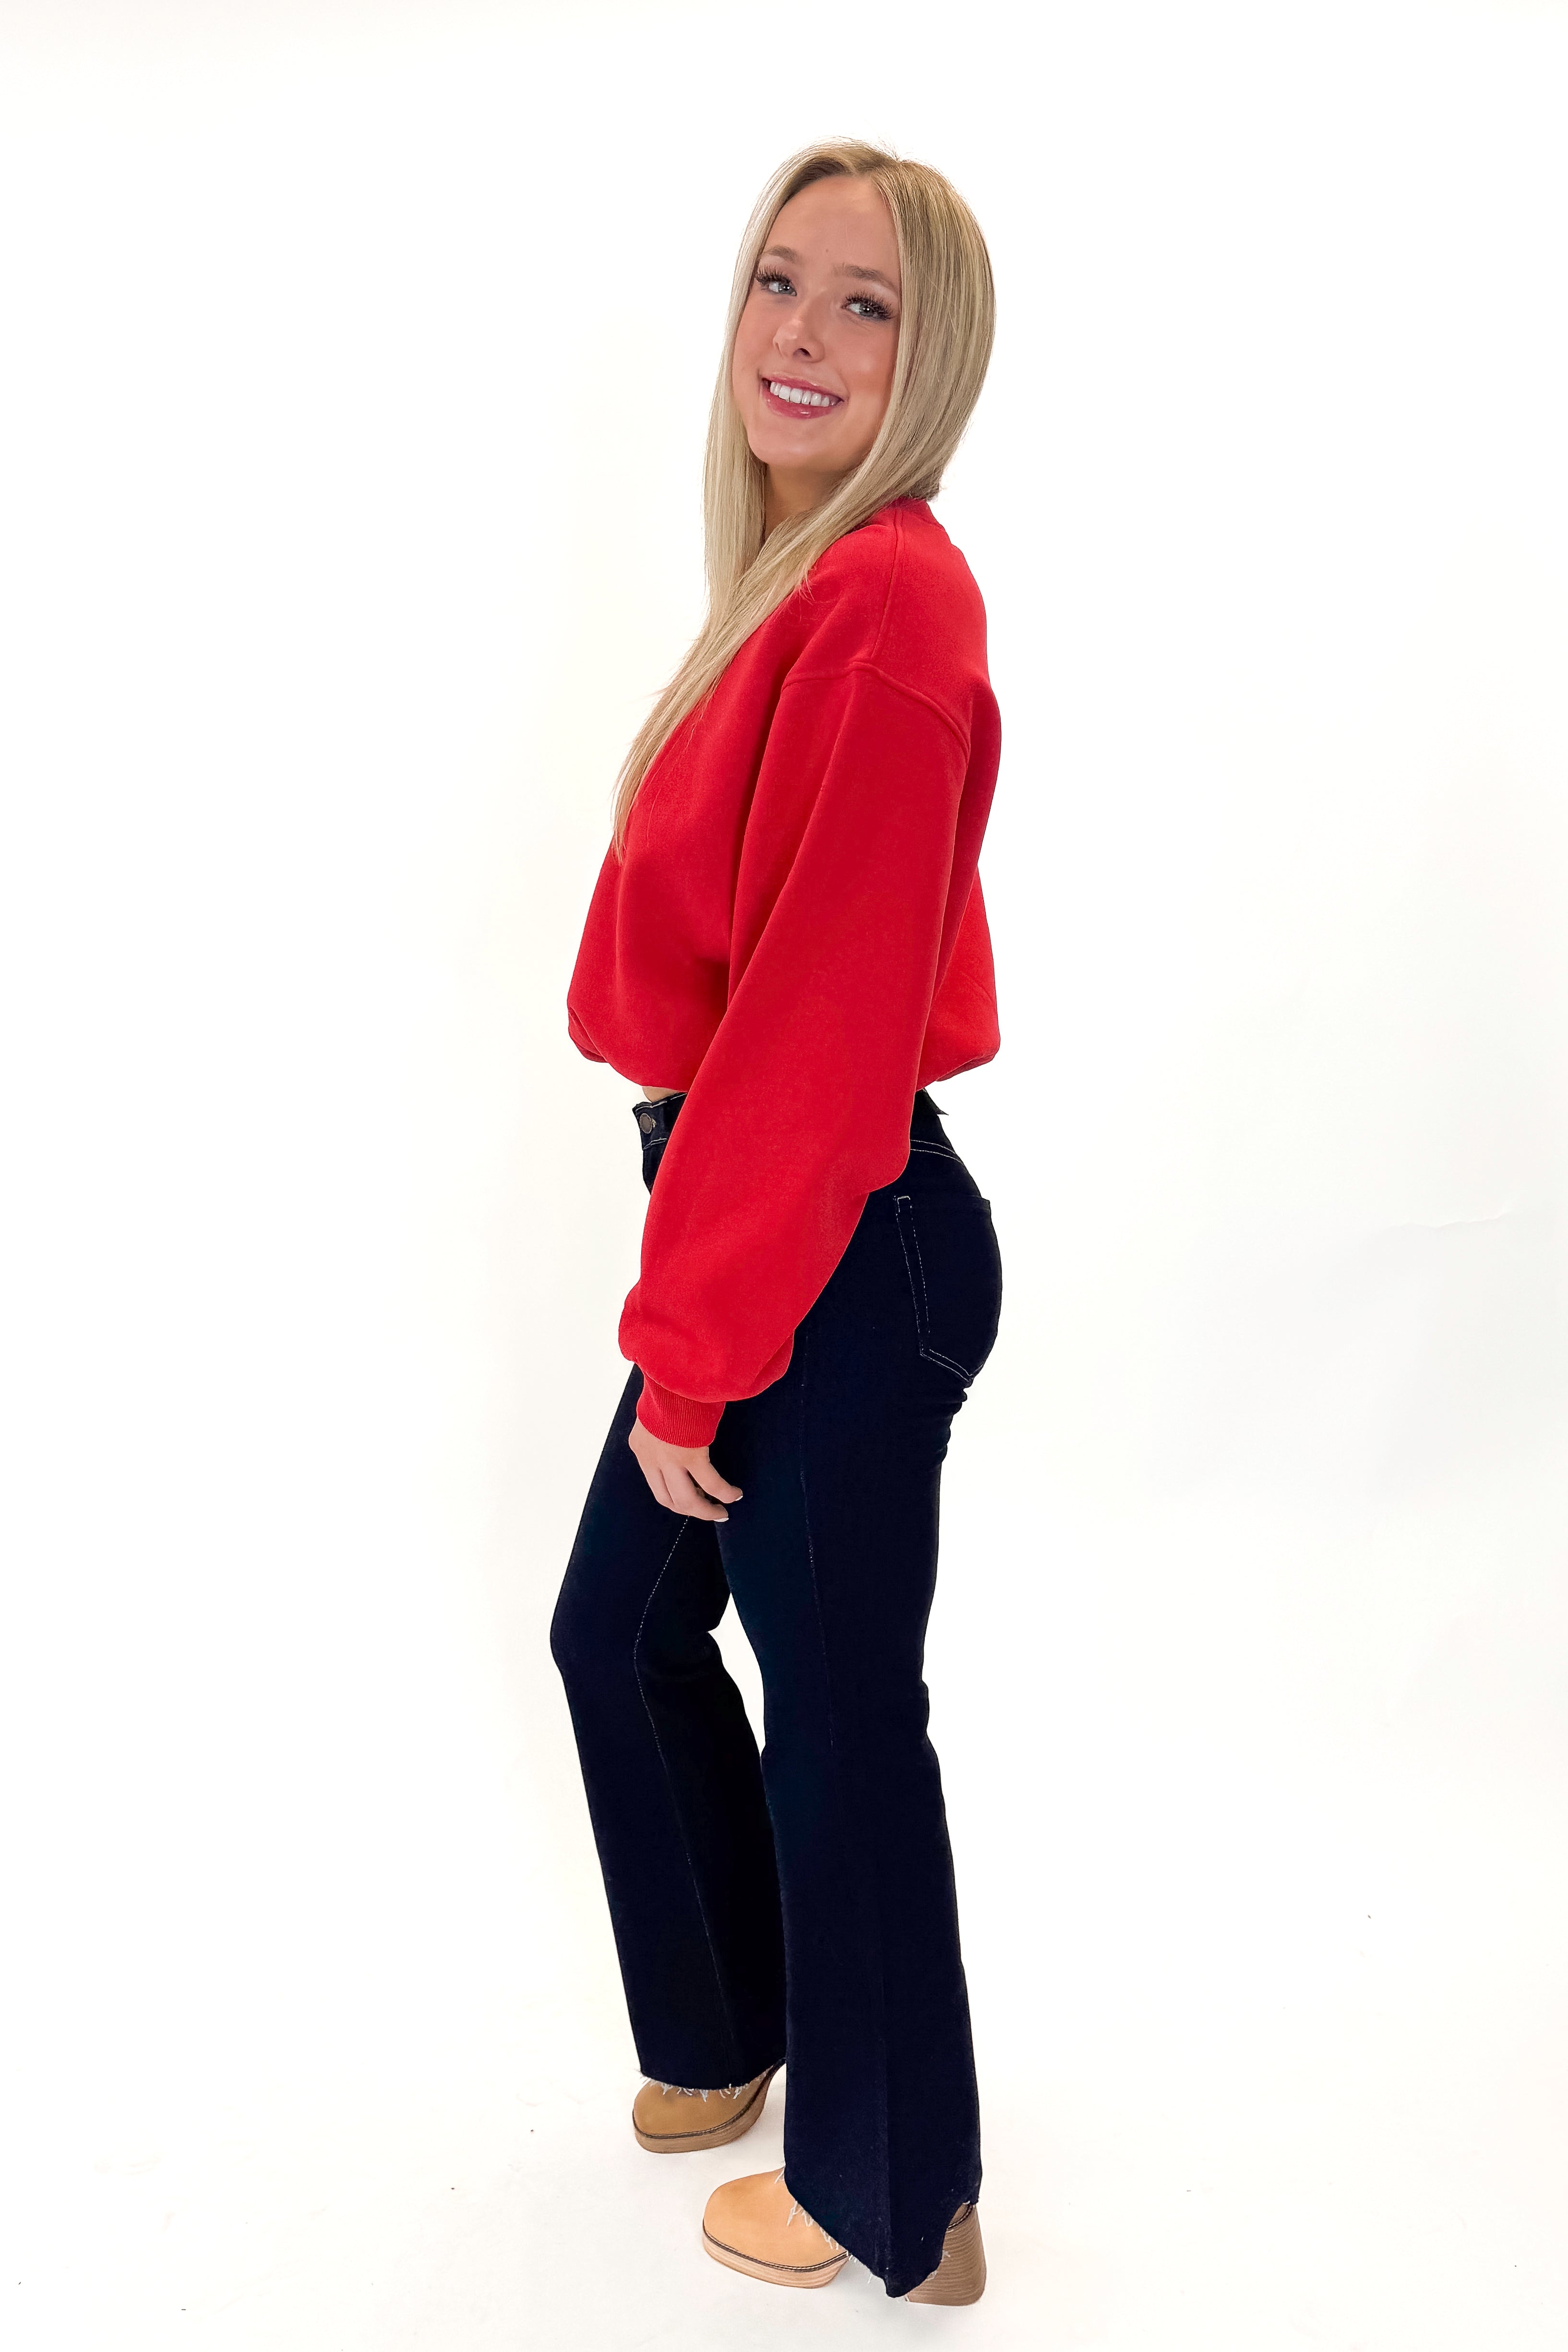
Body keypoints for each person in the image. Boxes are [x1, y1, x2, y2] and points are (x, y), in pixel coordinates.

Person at [550, 138, 1002, 2304]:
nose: (802, 339)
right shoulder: (807, 584)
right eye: (778, 283)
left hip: (829, 1233)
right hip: (757, 1206)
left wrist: (701, 1344)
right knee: (619, 1630)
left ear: (930, 364)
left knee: (835, 1707)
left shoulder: (892, 607)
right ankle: (732, 2034)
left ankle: (898, 2199)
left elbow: (817, 1040)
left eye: (866, 307)